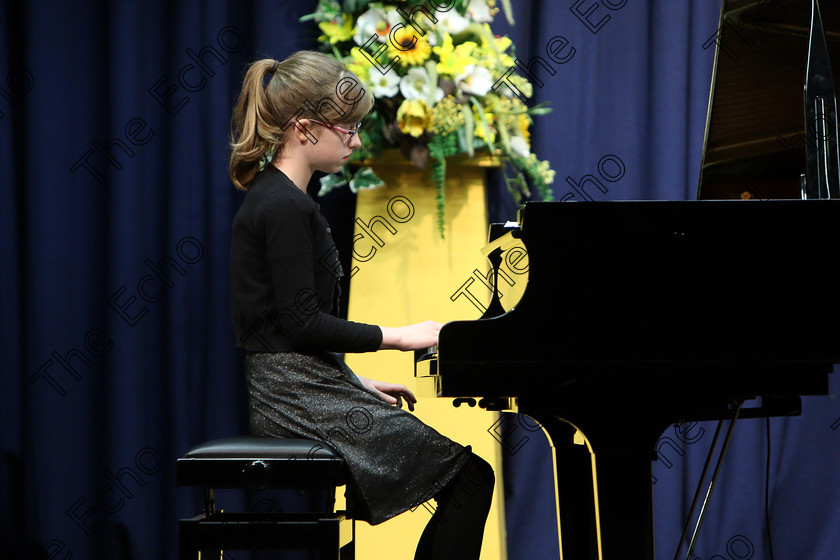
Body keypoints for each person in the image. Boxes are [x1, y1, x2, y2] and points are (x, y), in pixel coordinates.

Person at [227, 51, 494, 560]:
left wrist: (353, 382)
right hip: (293, 397)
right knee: (471, 478)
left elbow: (280, 328)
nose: (355, 140)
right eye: (346, 129)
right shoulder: (282, 206)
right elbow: (302, 323)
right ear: (305, 129)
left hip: (301, 385)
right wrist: (400, 334)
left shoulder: (282, 199)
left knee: (468, 478)